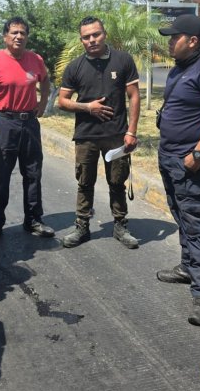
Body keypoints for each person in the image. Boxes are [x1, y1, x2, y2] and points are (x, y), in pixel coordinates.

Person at [154, 14, 200, 326]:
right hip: (168, 155)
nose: (170, 42)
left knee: (196, 222)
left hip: (190, 160)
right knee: (180, 214)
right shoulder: (180, 68)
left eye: (175, 37)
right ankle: (187, 267)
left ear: (193, 40)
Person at [57, 16, 141, 249]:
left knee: (117, 182)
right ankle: (82, 226)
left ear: (104, 34)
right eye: (86, 37)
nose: (92, 40)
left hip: (117, 135)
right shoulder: (75, 66)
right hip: (86, 135)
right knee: (85, 182)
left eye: (96, 34)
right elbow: (62, 101)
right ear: (81, 39)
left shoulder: (123, 60)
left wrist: (131, 132)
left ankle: (120, 225)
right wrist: (88, 107)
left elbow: (134, 96)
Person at [0, 16, 55, 245]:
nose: (19, 36)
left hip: (30, 123)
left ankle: (33, 220)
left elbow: (46, 81)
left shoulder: (35, 59)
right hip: (4, 122)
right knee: (1, 176)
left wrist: (42, 104)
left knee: (33, 173)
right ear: (5, 37)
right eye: (14, 32)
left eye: (23, 33)